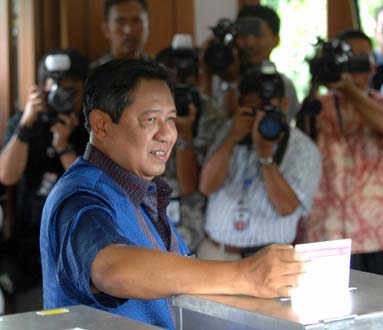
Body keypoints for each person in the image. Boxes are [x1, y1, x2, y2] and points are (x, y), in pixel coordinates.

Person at [39, 59, 308, 329]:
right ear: (101, 125)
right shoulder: (81, 196)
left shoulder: (138, 189)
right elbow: (111, 269)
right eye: (151, 119)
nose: (168, 134)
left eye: (170, 118)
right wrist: (246, 275)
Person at [303, 30, 383, 276]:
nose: (354, 63)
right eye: (348, 56)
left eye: (361, 57)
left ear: (372, 64)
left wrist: (349, 89)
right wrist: (317, 78)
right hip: (326, 229)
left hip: (376, 232)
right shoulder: (319, 104)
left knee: (382, 307)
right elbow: (303, 135)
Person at [197, 62, 321, 261]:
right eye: (252, 112)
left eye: (266, 111)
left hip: (267, 259)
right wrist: (230, 140)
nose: (258, 120)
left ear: (284, 104)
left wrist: (265, 156)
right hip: (216, 253)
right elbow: (206, 186)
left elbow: (287, 207)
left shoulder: (303, 149)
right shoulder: (231, 130)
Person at [0, 48, 89, 295]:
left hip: (76, 248)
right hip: (28, 247)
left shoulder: (92, 127)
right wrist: (26, 125)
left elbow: (90, 185)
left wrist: (64, 146)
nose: (62, 98)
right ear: (42, 89)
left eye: (70, 91)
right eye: (56, 89)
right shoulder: (27, 123)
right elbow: (7, 175)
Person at [155, 35, 225, 251]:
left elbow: (193, 186)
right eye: (172, 75)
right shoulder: (143, 110)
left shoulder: (209, 111)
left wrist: (185, 135)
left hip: (197, 226)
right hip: (150, 219)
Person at [203, 4, 299, 122]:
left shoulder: (283, 85)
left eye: (258, 35)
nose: (250, 43)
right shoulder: (220, 80)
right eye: (243, 35)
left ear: (276, 40)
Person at [90, 0, 150, 70]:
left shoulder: (159, 71)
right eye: (120, 22)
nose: (129, 30)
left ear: (147, 25)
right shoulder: (94, 74)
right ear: (106, 28)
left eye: (136, 20)